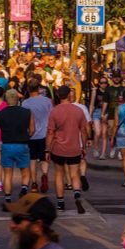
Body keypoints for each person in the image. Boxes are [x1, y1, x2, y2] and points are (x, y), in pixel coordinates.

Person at [45, 85, 88, 214]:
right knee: (74, 174)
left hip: (58, 148)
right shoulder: (78, 110)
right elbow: (84, 131)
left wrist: (47, 149)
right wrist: (83, 147)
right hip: (74, 147)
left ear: (58, 96)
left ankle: (60, 203)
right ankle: (76, 194)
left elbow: (50, 132)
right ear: (69, 94)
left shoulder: (54, 111)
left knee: (59, 174)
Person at [0, 88, 35, 209]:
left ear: (6, 100)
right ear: (18, 100)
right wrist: (26, 136)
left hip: (7, 145)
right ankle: (24, 188)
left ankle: (7, 199)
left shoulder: (0, 114)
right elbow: (32, 130)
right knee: (25, 171)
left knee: (8, 173)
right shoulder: (27, 112)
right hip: (22, 144)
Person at [23, 78, 54, 192]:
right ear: (39, 88)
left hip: (31, 135)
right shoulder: (47, 101)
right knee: (44, 158)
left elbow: (24, 119)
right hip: (45, 133)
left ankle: (34, 183)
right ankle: (45, 174)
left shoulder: (25, 103)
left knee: (32, 159)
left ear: (28, 89)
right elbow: (52, 116)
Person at [88, 76, 109, 159]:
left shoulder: (108, 91)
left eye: (105, 82)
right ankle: (96, 149)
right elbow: (92, 104)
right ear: (99, 83)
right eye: (101, 83)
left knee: (104, 134)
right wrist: (89, 116)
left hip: (106, 113)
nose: (103, 84)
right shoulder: (95, 91)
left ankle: (103, 153)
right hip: (97, 112)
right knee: (97, 132)